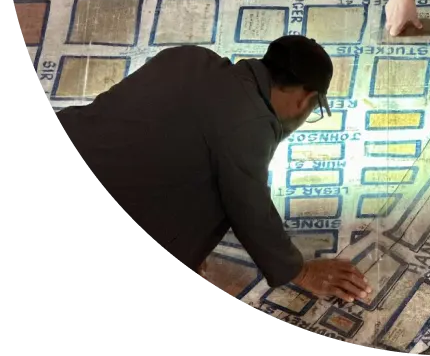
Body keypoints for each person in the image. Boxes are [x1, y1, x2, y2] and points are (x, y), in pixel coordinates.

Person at [54, 36, 371, 303]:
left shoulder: (189, 57)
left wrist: (191, 243)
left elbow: (161, 141)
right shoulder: (252, 126)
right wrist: (301, 271)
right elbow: (251, 210)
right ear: (306, 99)